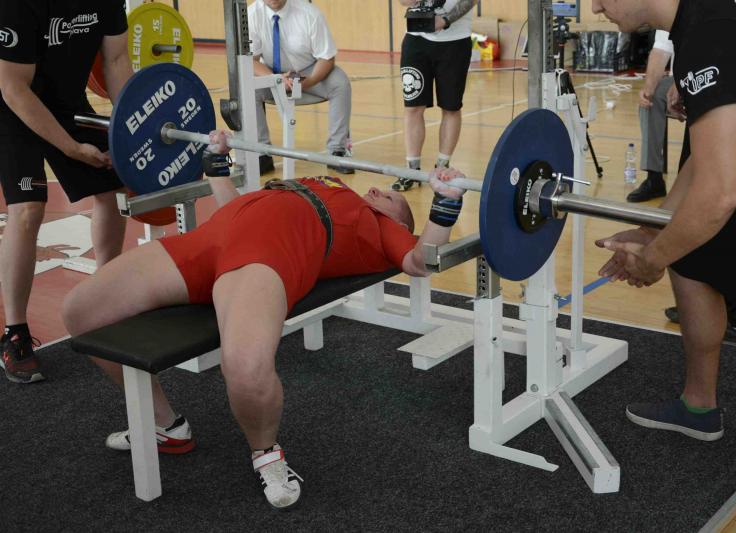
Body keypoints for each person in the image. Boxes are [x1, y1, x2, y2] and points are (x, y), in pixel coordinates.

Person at [61, 130, 468, 510]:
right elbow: (231, 203)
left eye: (392, 199)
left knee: (245, 366)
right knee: (82, 310)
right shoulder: (327, 186)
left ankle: (265, 453)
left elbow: (420, 261)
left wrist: (445, 203)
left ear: (398, 223)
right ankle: (165, 426)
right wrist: (217, 161)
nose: (378, 191)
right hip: (210, 239)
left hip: (265, 255)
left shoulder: (381, 229)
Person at [592, 0, 736, 499]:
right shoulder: (707, 20)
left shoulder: (713, 32)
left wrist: (652, 258)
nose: (595, 7)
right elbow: (704, 162)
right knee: (692, 256)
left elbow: (721, 194)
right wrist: (655, 234)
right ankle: (697, 405)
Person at [0, 1, 133, 384]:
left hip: (67, 102)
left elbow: (117, 59)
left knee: (112, 188)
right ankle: (14, 333)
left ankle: (103, 300)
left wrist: (129, 127)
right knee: (28, 209)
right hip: (12, 108)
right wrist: (71, 148)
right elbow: (13, 88)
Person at [248, 0, 354, 175]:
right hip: (272, 72)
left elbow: (326, 58)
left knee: (340, 83)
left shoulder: (310, 14)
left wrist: (307, 82)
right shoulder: (252, 15)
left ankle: (338, 149)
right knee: (247, 86)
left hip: (308, 71)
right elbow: (251, 60)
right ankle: (261, 152)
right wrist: (276, 79)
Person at [392, 0, 478, 192]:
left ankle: (442, 167)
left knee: (451, 107)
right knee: (413, 107)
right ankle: (412, 170)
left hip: (456, 42)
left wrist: (445, 20)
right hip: (416, 40)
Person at [626, 30, 676, 203]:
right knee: (650, 99)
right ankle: (654, 178)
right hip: (678, 79)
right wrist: (648, 88)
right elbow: (661, 49)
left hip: (715, 77)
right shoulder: (670, 15)